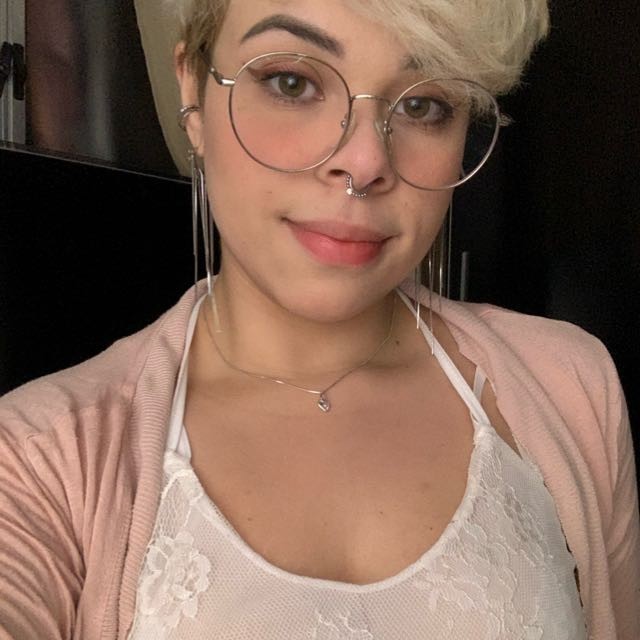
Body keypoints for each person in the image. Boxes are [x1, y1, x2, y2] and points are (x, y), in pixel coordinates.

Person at [0, 1, 638, 638]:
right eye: (292, 82)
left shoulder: (573, 389)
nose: (364, 161)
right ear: (193, 93)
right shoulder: (36, 463)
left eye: (423, 105)